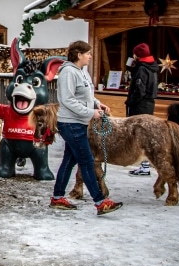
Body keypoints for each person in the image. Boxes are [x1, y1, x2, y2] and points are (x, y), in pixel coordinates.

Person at [48, 40, 123, 215]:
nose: (90, 56)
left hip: (78, 122)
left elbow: (87, 95)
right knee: (87, 161)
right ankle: (100, 201)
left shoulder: (82, 72)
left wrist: (98, 104)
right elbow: (67, 100)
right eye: (88, 53)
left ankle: (57, 197)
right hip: (71, 123)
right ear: (79, 54)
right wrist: (90, 112)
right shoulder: (68, 72)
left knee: (69, 160)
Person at [125, 42, 159, 177]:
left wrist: (130, 102)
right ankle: (145, 165)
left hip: (140, 106)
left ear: (137, 55)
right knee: (145, 135)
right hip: (149, 104)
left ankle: (144, 166)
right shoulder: (150, 67)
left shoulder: (142, 70)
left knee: (140, 136)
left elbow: (139, 89)